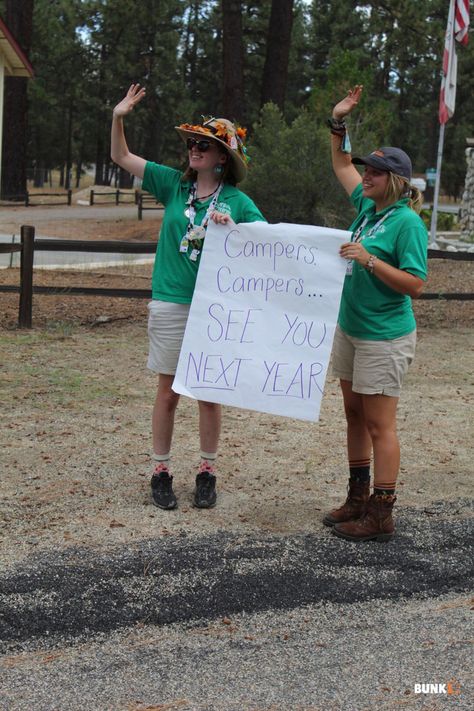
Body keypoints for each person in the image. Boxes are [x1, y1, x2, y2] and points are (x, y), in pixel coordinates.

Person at [111, 84, 265, 511]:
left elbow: (268, 249)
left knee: (209, 393)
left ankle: (207, 471)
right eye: (193, 143)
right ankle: (160, 471)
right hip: (170, 302)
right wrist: (118, 117)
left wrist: (233, 226)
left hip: (214, 307)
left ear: (222, 158)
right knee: (168, 391)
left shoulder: (238, 200)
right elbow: (122, 158)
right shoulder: (172, 185)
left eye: (205, 145)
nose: (194, 149)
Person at [323, 85, 428, 541]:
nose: (365, 174)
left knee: (379, 423)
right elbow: (341, 163)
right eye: (368, 167)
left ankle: (382, 513)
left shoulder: (407, 222)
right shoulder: (367, 207)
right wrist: (337, 121)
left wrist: (369, 259)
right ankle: (357, 496)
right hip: (352, 328)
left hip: (385, 335)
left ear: (396, 180)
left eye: (376, 171)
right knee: (352, 413)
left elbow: (416, 284)